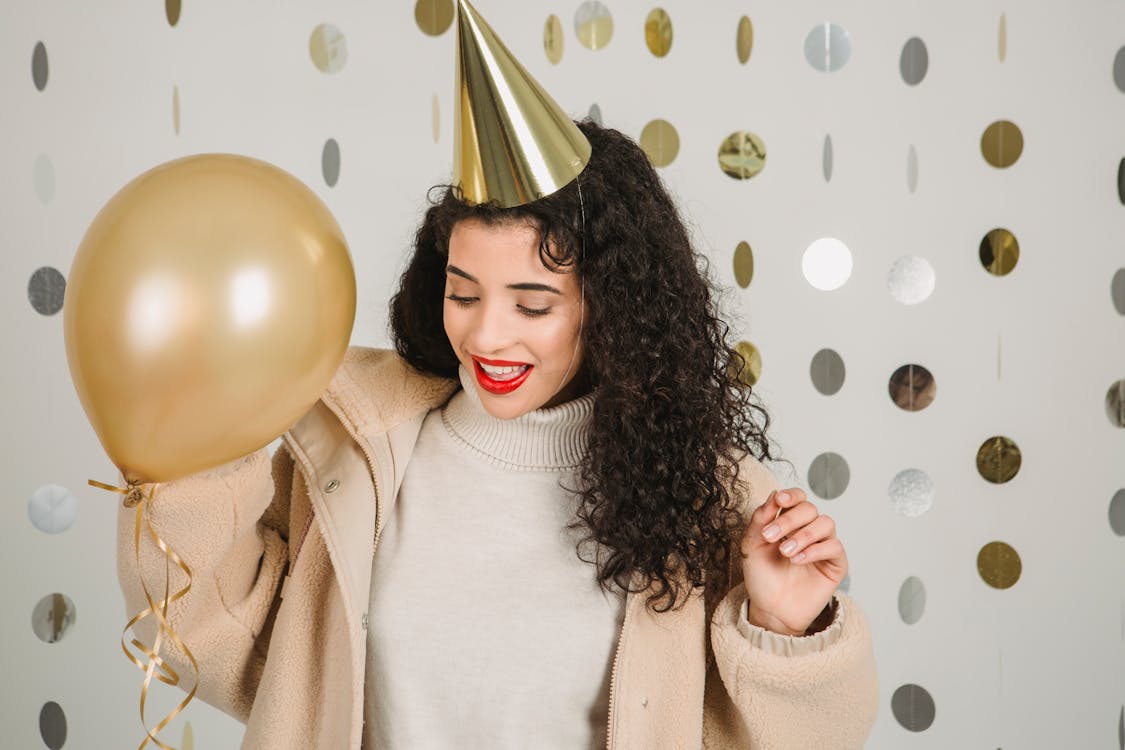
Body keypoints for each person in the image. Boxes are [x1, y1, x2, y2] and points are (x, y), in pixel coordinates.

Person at [117, 3, 877, 748]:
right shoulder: (350, 448)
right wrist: (183, 476)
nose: (485, 334)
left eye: (533, 303)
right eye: (462, 292)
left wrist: (784, 631)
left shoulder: (708, 495)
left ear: (610, 308)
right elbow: (228, 655)